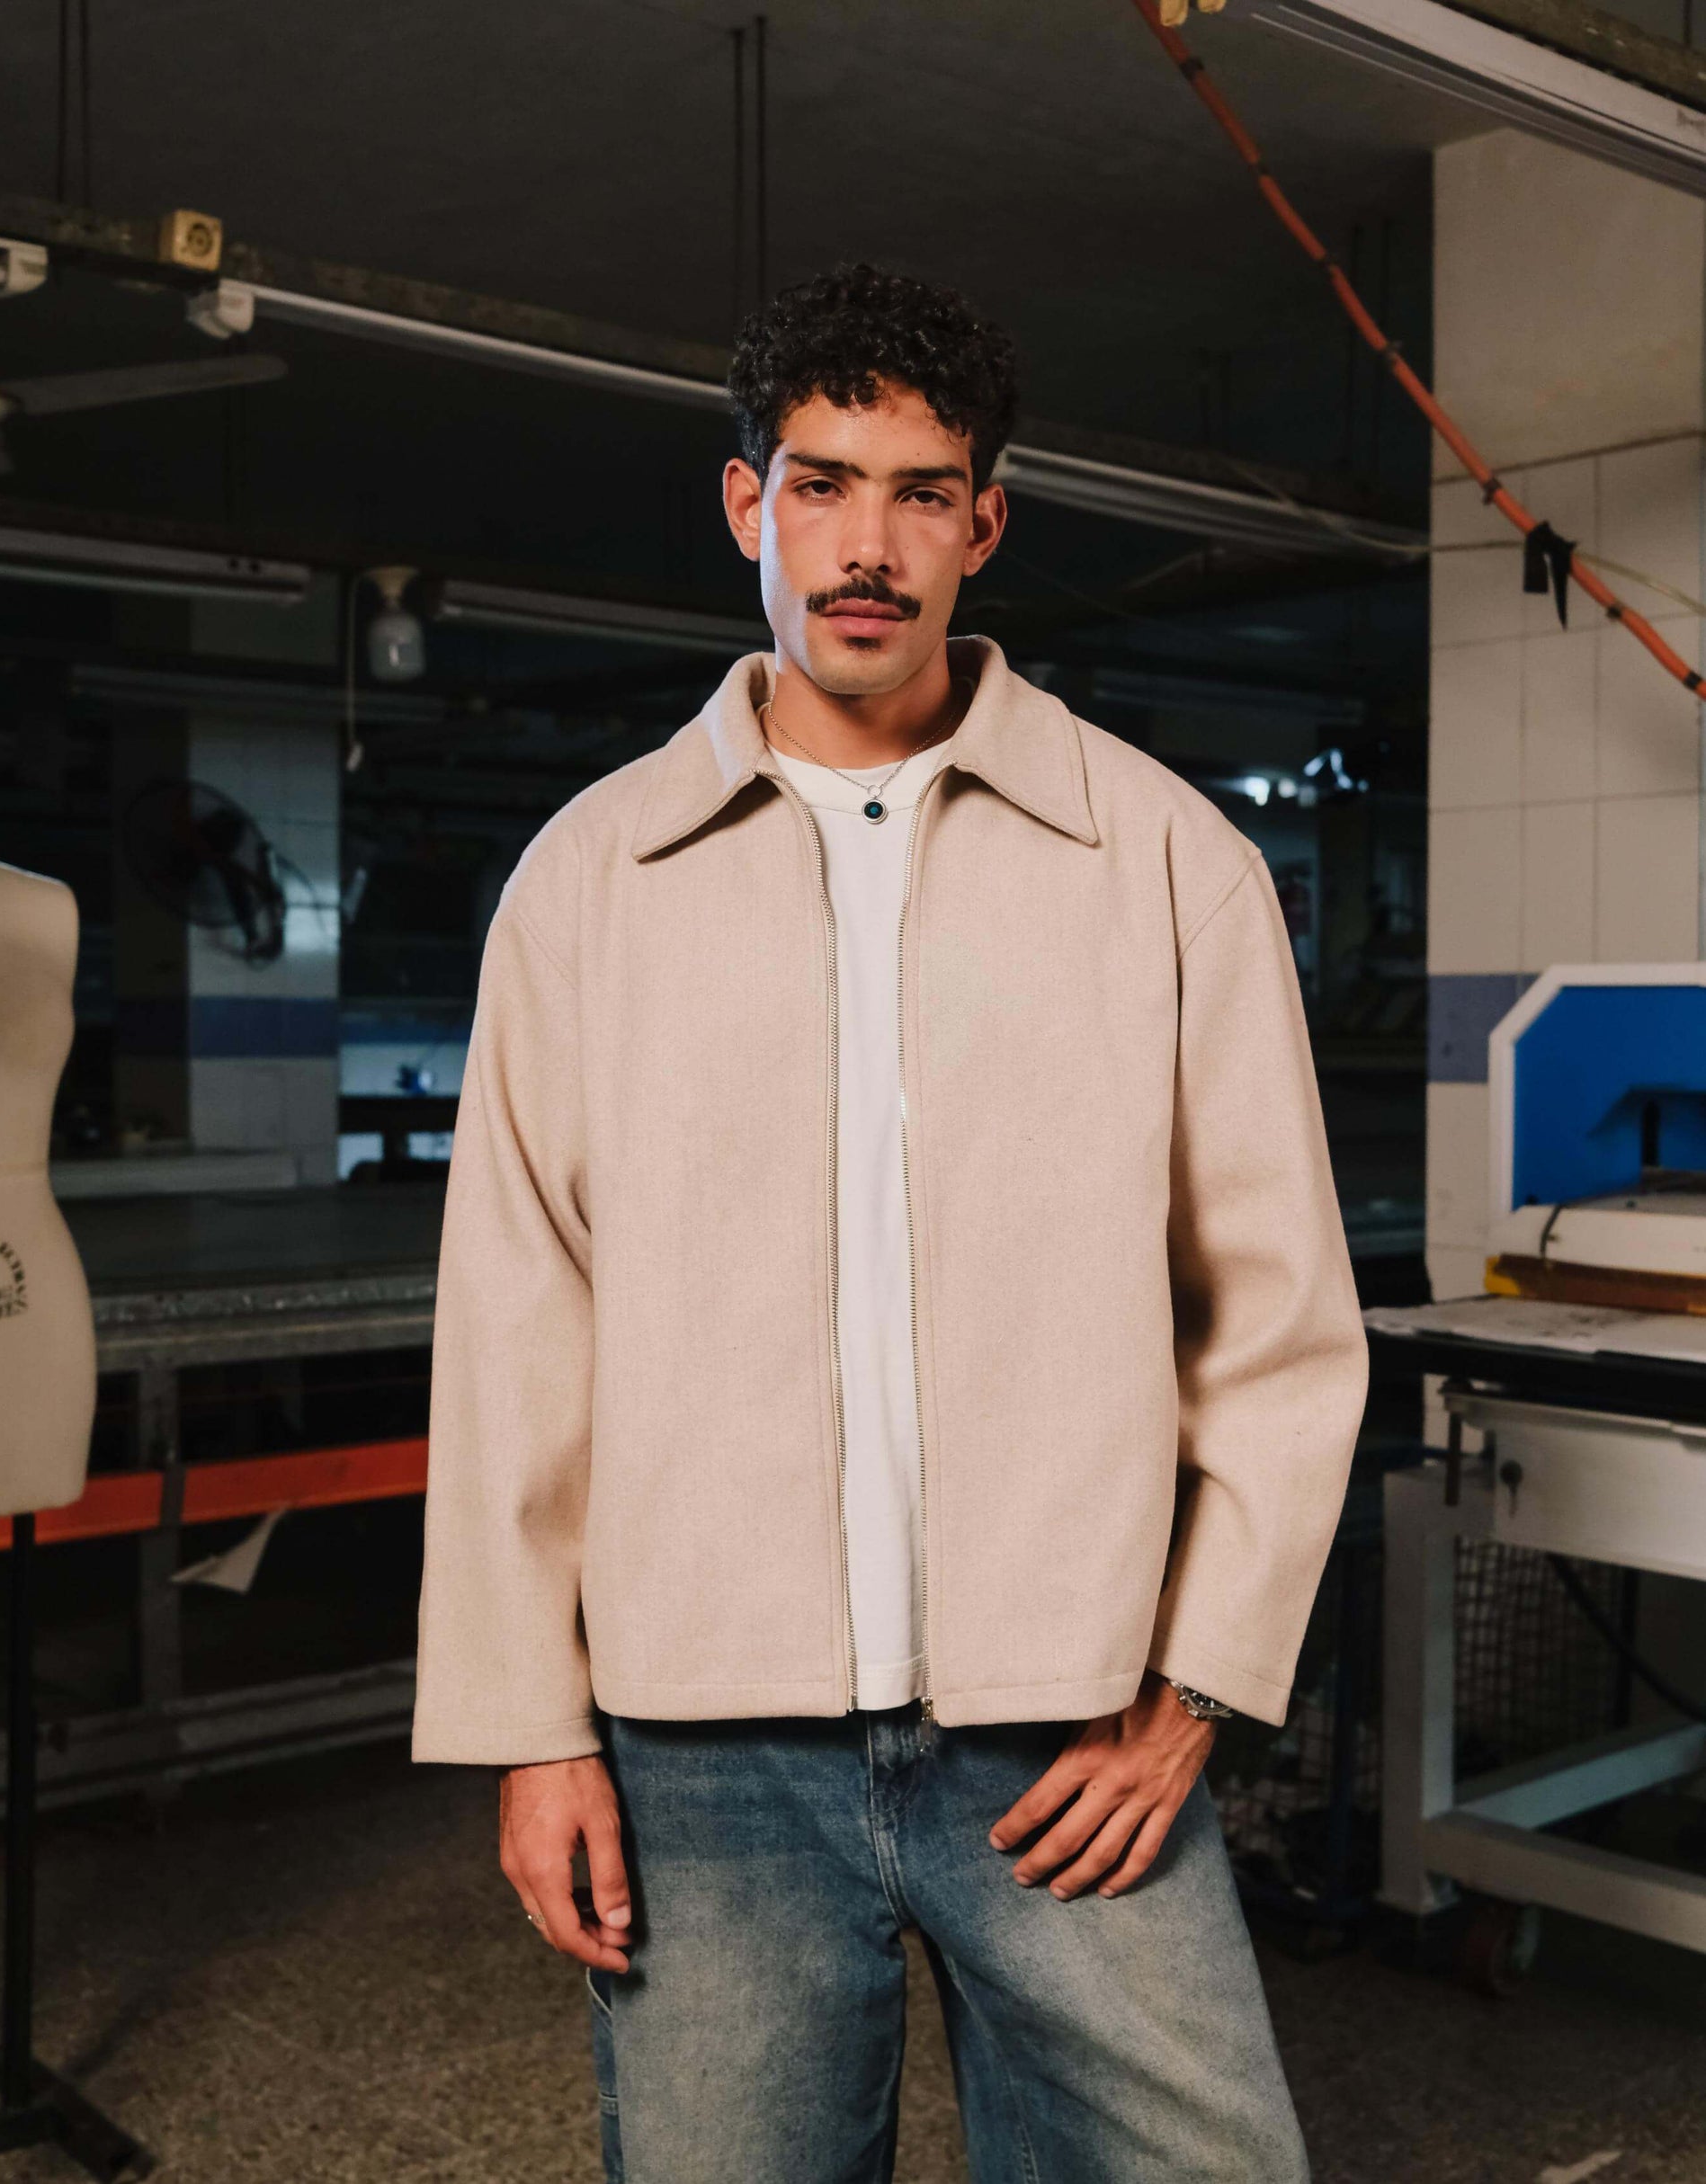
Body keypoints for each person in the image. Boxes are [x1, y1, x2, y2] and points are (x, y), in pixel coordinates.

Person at [412, 262, 1370, 2182]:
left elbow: (1277, 1330)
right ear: (745, 503)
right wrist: (531, 1730)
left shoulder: (1164, 860)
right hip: (707, 1752)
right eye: (824, 483)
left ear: (985, 523)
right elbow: (520, 1323)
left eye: (922, 492)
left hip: (1067, 1734)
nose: (869, 544)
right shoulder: (592, 880)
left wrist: (1191, 1700)